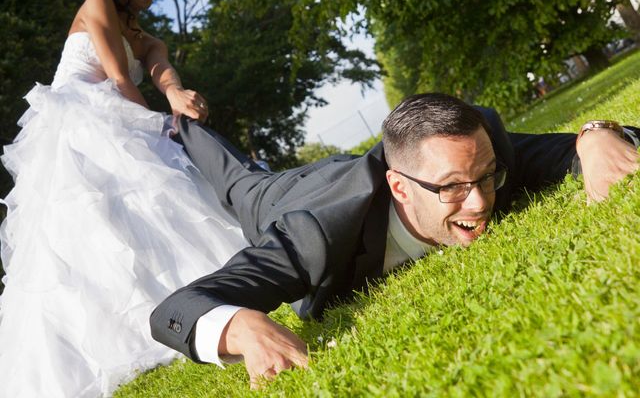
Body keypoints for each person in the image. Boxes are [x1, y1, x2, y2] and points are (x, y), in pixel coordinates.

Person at [150, 92, 640, 388]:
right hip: (275, 196)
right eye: (450, 187)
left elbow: (578, 148)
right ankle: (183, 125)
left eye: (486, 178)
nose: (478, 204)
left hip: (358, 172)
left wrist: (595, 134)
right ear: (400, 186)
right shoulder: (313, 235)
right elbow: (177, 308)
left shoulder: (479, 148)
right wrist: (238, 326)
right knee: (237, 178)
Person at [0, 0, 248, 397]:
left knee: (151, 217)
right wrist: (156, 128)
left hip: (117, 117)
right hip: (81, 125)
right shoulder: (96, 3)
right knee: (92, 235)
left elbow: (158, 66)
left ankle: (187, 301)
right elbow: (118, 78)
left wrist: (176, 94)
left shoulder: (147, 37)